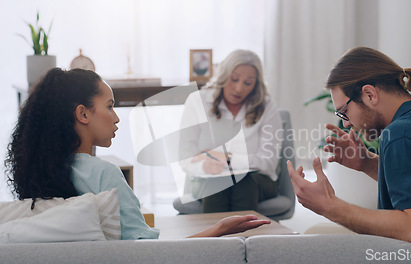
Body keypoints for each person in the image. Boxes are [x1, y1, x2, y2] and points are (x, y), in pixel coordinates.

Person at [5, 68, 270, 240]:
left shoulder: (40, 172)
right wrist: (219, 230)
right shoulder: (105, 176)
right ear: (83, 113)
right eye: (109, 107)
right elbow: (148, 254)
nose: (117, 118)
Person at [287, 47, 411, 244]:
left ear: (370, 94)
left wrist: (329, 206)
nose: (345, 123)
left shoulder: (400, 135)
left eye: (344, 111)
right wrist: (367, 163)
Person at [179, 49, 283, 213]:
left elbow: (268, 162)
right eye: (234, 79)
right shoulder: (197, 101)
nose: (238, 88)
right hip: (207, 179)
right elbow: (185, 156)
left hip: (257, 181)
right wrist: (205, 165)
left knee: (243, 182)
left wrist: (227, 159)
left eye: (248, 83)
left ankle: (243, 238)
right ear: (223, 76)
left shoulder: (266, 106)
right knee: (219, 183)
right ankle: (221, 238)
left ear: (256, 84)